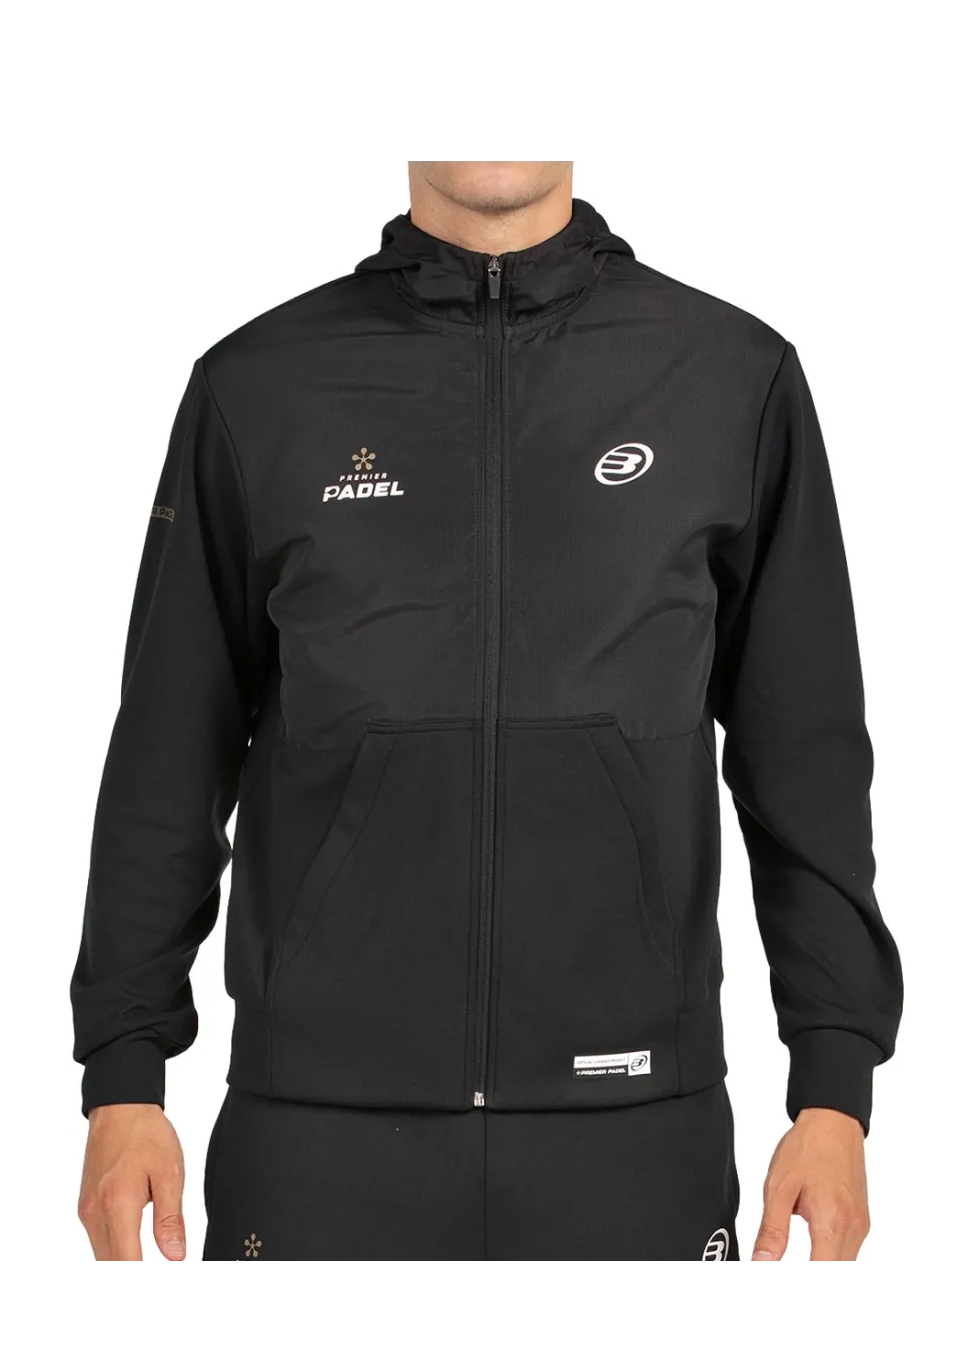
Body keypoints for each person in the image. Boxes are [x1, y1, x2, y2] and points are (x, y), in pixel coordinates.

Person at [73, 160, 902, 1264]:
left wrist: (833, 1089)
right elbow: (167, 755)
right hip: (318, 1132)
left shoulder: (727, 375)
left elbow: (805, 758)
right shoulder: (261, 385)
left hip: (635, 1127)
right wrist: (124, 1075)